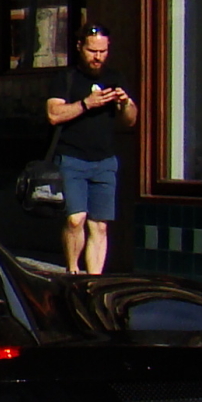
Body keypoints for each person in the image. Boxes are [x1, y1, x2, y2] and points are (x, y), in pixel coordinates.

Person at [45, 22, 137, 275]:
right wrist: (86, 104)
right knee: (76, 219)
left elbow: (130, 120)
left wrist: (126, 102)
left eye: (103, 52)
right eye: (92, 51)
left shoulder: (115, 78)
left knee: (100, 226)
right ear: (80, 47)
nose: (98, 57)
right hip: (72, 158)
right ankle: (73, 271)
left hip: (104, 161)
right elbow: (53, 114)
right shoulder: (66, 78)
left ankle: (94, 280)